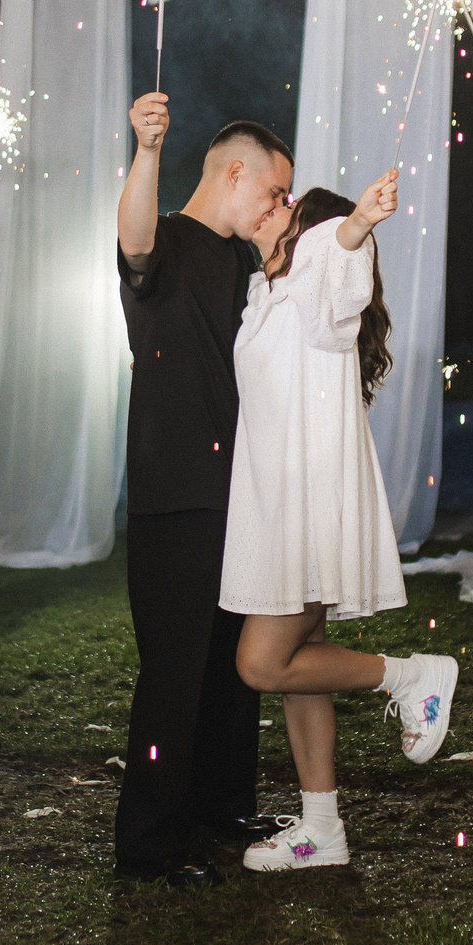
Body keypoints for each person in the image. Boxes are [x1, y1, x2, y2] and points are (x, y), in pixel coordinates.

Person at [220, 178, 460, 869]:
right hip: (279, 507)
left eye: (287, 206)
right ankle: (322, 830)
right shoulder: (267, 293)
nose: (275, 207)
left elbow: (340, 248)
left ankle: (411, 674)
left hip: (308, 507)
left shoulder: (315, 276)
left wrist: (356, 220)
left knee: (260, 663)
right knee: (303, 669)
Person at [111, 94, 293, 886]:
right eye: (275, 192)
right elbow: (136, 239)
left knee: (227, 665)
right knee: (176, 670)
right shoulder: (172, 246)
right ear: (233, 172)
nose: (279, 205)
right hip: (176, 493)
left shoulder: (242, 262)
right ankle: (149, 844)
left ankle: (221, 805)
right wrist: (146, 149)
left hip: (237, 492)